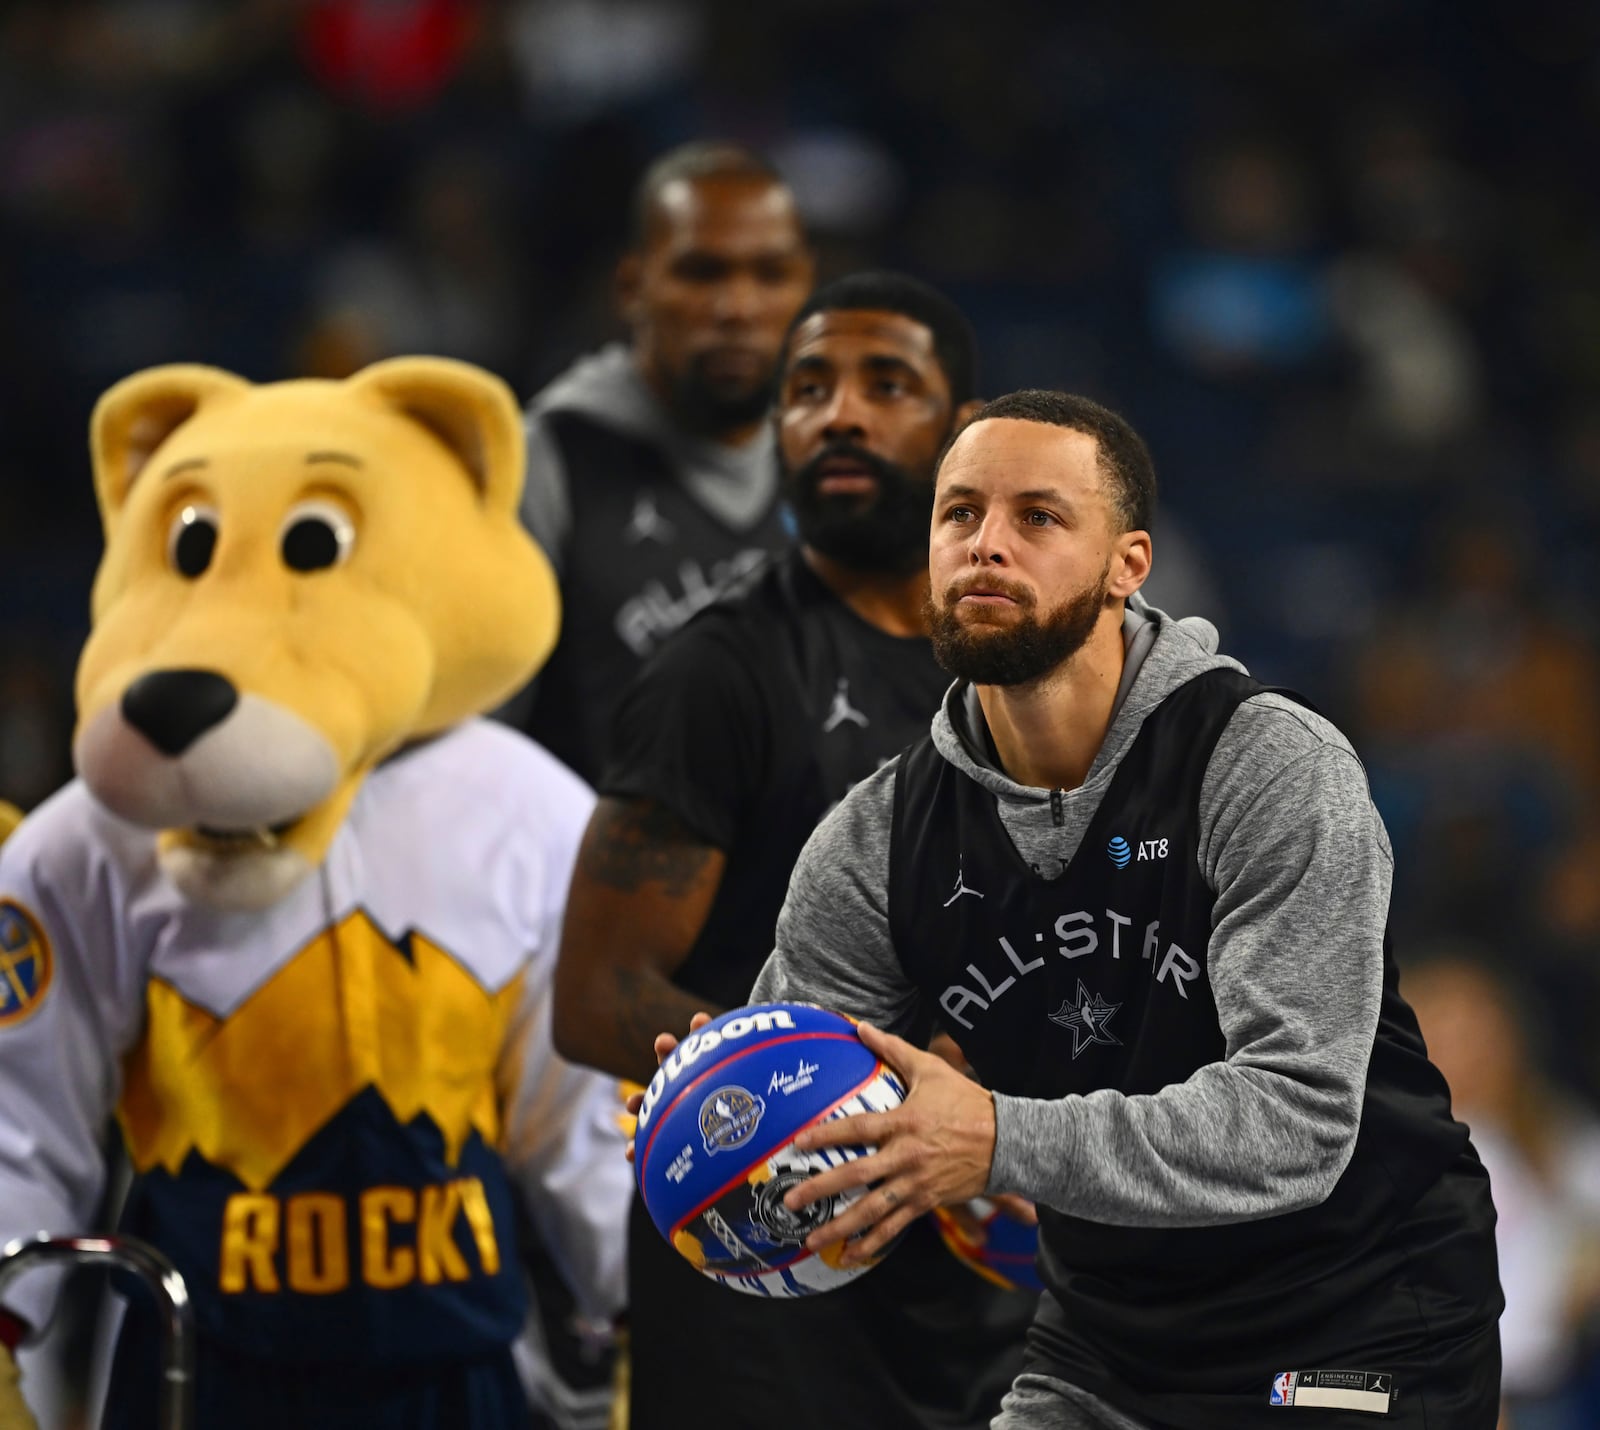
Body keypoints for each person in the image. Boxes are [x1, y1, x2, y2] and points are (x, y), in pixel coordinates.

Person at [725, 388, 1504, 1428]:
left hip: (1358, 1316)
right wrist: (731, 1112)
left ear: (1127, 565)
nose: (986, 545)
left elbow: (1298, 1120)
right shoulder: (875, 838)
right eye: (959, 514)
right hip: (1110, 1337)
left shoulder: (1266, 764)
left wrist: (1000, 1135)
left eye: (1037, 517)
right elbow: (812, 1112)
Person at [554, 272, 1037, 1429]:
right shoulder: (717, 671)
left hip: (980, 1270)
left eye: (887, 384)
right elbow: (595, 992)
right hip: (767, 1280)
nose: (839, 416)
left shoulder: (1028, 666)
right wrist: (838, 1084)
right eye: (806, 388)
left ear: (965, 426)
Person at [509, 140, 815, 783]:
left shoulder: (840, 452)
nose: (738, 308)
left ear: (806, 287)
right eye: (702, 272)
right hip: (604, 871)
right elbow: (484, 745)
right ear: (632, 287)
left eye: (770, 274)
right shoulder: (550, 458)